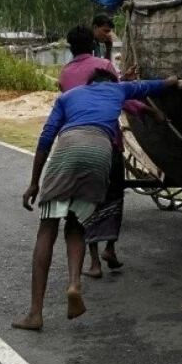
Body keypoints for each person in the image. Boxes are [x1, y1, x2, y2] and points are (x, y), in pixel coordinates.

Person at [13, 69, 168, 331]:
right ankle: (74, 283)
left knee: (48, 228)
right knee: (77, 225)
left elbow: (47, 136)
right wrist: (171, 84)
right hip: (101, 152)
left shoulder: (69, 96)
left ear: (89, 84)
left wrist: (34, 182)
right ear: (110, 83)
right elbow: (149, 87)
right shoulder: (118, 90)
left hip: (70, 146)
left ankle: (35, 313)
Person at [56, 26, 128, 278]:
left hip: (75, 144)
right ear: (93, 43)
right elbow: (120, 95)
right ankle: (111, 247)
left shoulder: (64, 74)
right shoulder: (104, 67)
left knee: (88, 201)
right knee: (114, 194)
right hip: (108, 142)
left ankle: (95, 262)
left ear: (70, 47)